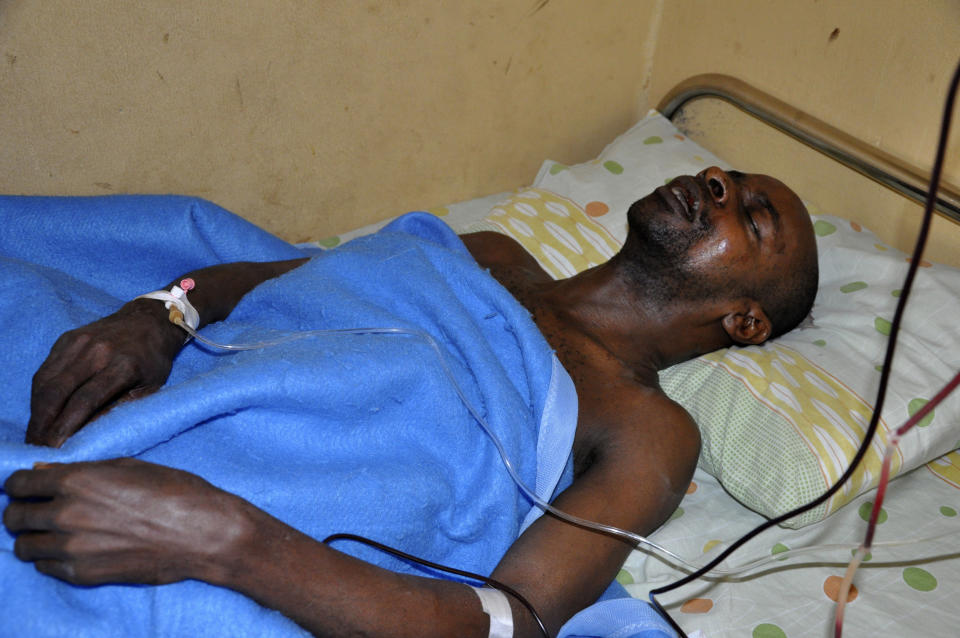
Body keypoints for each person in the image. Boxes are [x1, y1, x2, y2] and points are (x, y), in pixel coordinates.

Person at [3, 166, 818, 637]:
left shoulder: (648, 426)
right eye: (725, 176)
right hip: (183, 393)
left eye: (750, 214)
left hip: (259, 526)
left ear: (745, 320)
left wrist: (224, 538)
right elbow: (266, 284)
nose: (715, 182)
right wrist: (162, 311)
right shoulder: (490, 253)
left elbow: (513, 621)